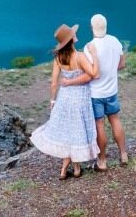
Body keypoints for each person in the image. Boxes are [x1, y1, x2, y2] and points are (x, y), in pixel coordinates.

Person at [28, 23, 100, 180]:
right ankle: (74, 168)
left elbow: (54, 83)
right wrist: (94, 55)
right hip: (79, 98)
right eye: (73, 34)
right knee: (76, 131)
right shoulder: (80, 57)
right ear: (71, 40)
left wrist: (53, 101)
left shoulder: (58, 58)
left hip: (64, 99)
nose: (75, 35)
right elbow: (93, 73)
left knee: (68, 132)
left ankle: (67, 169)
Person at [81, 13, 129, 170]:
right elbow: (122, 64)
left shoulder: (89, 47)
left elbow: (90, 73)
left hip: (96, 93)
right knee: (115, 119)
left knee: (99, 125)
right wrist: (110, 71)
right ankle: (123, 154)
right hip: (112, 90)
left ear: (91, 27)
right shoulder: (115, 41)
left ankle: (102, 161)